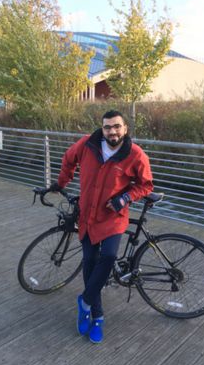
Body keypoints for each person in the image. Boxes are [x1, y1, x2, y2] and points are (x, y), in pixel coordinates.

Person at [50, 110, 153, 343]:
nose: (112, 131)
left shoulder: (135, 154)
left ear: (125, 129)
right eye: (107, 127)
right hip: (87, 216)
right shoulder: (88, 144)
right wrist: (60, 184)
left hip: (113, 216)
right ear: (102, 128)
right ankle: (97, 316)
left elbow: (145, 185)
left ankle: (84, 302)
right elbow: (68, 160)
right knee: (89, 263)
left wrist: (124, 198)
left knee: (107, 256)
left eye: (117, 126)